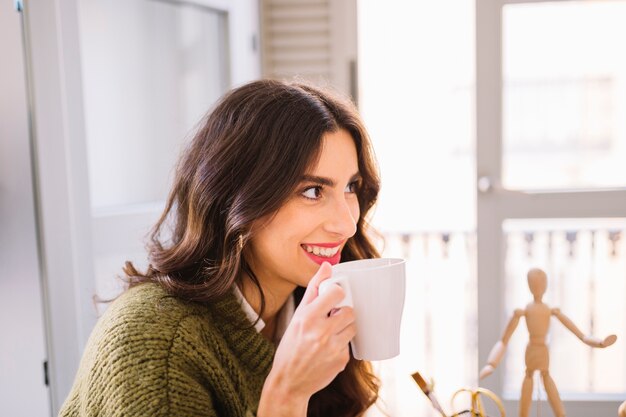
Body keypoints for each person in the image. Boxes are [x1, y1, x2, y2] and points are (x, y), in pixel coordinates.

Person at [59, 80, 382, 416]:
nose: (346, 224)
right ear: (237, 199)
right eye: (313, 191)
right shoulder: (160, 346)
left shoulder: (311, 314)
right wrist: (287, 395)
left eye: (351, 186)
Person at [479, 268, 617, 417]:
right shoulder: (524, 311)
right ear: (529, 285)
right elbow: (503, 340)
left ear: (546, 285)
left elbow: (581, 335)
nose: (537, 287)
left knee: (547, 382)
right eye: (534, 283)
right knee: (529, 380)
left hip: (542, 350)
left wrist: (600, 343)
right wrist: (491, 364)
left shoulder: (550, 311)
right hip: (532, 350)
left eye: (540, 283)